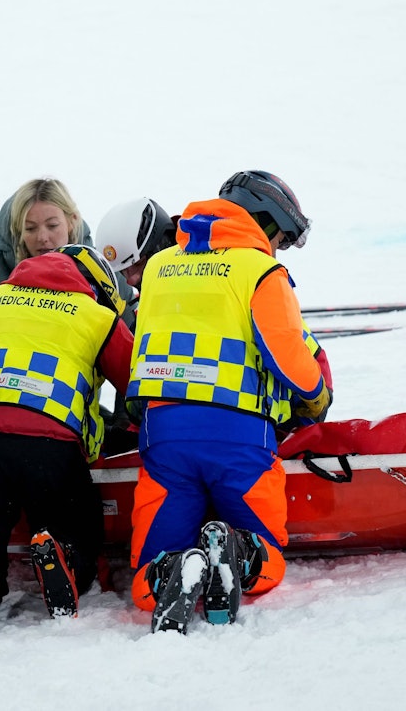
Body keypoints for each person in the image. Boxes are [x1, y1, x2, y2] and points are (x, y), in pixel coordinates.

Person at [126, 170, 332, 634]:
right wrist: (317, 398)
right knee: (269, 555)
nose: (276, 248)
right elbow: (288, 356)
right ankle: (238, 553)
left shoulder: (159, 267)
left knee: (142, 575)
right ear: (268, 221)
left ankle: (168, 574)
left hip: (164, 440)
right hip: (239, 438)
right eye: (279, 238)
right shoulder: (261, 270)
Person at [0, 244, 133, 647]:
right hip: (50, 446)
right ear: (97, 286)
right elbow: (137, 390)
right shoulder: (98, 316)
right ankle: (62, 556)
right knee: (76, 532)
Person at [0, 177, 134, 322]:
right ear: (18, 230)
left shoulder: (104, 272)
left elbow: (129, 334)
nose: (42, 237)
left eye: (52, 226)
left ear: (72, 221)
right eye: (30, 228)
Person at [94, 196, 179, 455]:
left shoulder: (219, 276)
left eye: (138, 264)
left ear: (164, 242)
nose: (131, 279)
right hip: (161, 440)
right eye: (122, 271)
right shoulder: (140, 310)